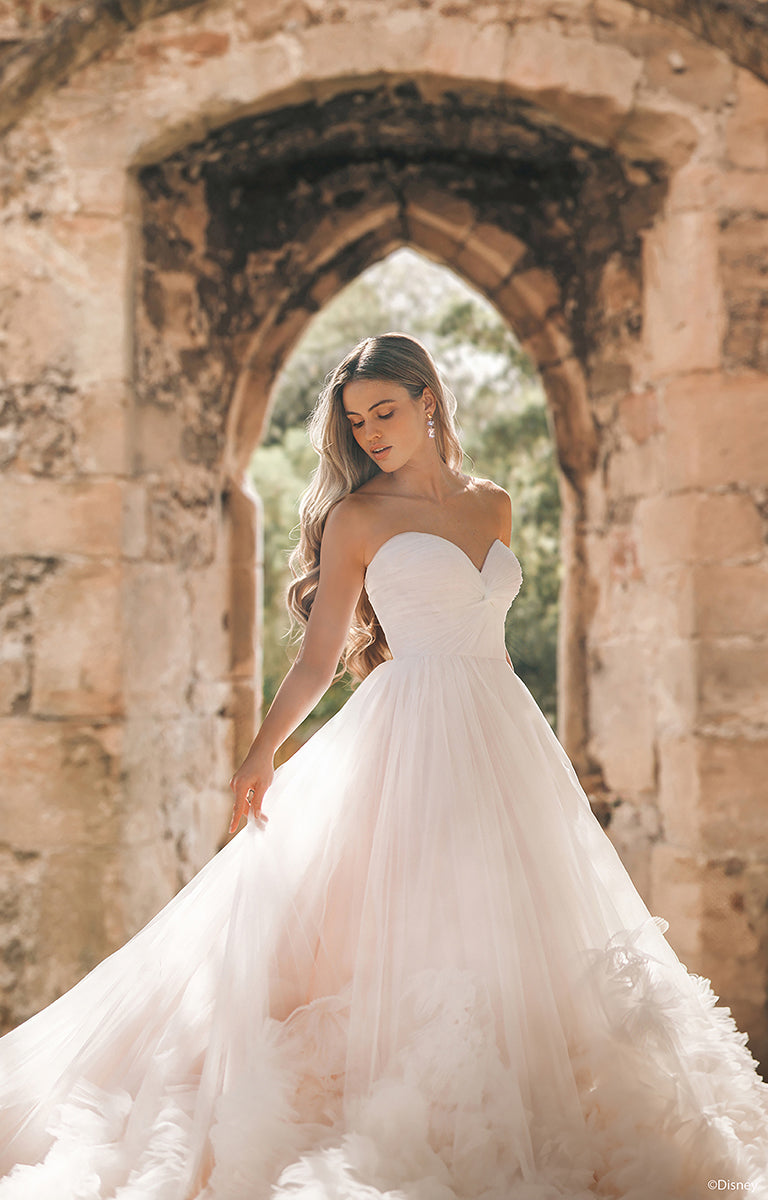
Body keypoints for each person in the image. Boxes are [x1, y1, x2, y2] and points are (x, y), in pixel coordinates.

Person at [0, 333, 767, 1200]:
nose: (370, 433)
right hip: (409, 734)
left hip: (503, 731)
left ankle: (526, 1105)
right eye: (358, 421)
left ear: (428, 401)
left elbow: (485, 632)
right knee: (402, 923)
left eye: (385, 412)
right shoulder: (357, 517)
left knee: (518, 923)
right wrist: (263, 750)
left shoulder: (493, 505)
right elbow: (319, 658)